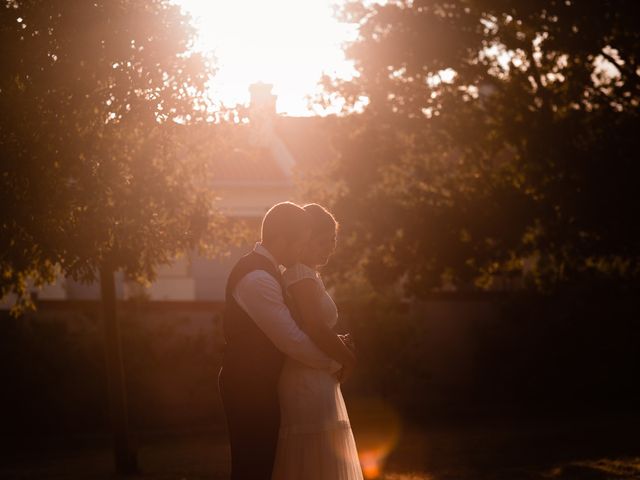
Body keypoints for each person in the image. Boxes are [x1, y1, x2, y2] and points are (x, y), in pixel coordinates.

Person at [218, 201, 343, 480]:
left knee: (262, 466)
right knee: (253, 467)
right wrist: (335, 361)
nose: (301, 251)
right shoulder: (257, 277)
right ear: (279, 239)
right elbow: (291, 340)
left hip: (260, 382)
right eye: (299, 243)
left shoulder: (269, 271)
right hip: (247, 384)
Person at [272, 203, 364, 480]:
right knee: (314, 456)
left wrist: (335, 341)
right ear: (307, 238)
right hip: (305, 379)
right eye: (325, 240)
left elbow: (311, 326)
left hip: (315, 375)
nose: (331, 247)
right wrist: (348, 358)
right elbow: (314, 327)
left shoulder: (308, 275)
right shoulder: (300, 274)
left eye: (334, 240)